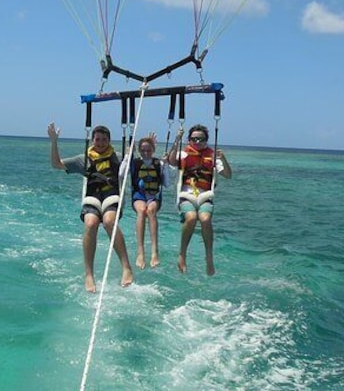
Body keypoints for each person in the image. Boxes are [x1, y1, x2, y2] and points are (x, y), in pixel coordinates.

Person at [48, 122, 135, 292]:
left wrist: (134, 150)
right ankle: (89, 274)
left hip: (112, 195)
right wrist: (54, 141)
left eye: (104, 139)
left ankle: (126, 267)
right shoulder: (84, 159)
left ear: (109, 140)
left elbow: (135, 164)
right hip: (93, 196)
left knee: (109, 221)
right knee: (90, 223)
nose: (100, 143)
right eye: (97, 139)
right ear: (92, 140)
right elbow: (56, 164)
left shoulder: (118, 157)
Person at [167, 124, 232, 276]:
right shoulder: (183, 154)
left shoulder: (213, 156)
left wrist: (224, 159)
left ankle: (209, 256)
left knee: (205, 219)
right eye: (194, 139)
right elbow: (171, 161)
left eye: (201, 139)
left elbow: (228, 175)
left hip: (205, 195)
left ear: (206, 140)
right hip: (186, 194)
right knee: (191, 218)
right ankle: (182, 254)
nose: (197, 142)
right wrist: (177, 140)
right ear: (189, 140)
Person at [129, 134, 171, 269]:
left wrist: (166, 166)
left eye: (148, 150)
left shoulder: (159, 163)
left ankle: (154, 252)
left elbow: (167, 184)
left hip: (154, 196)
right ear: (139, 150)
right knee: (142, 210)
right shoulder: (134, 162)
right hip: (139, 195)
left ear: (153, 150)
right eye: (143, 150)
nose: (146, 152)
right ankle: (140, 252)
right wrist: (127, 156)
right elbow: (121, 175)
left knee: (151, 210)